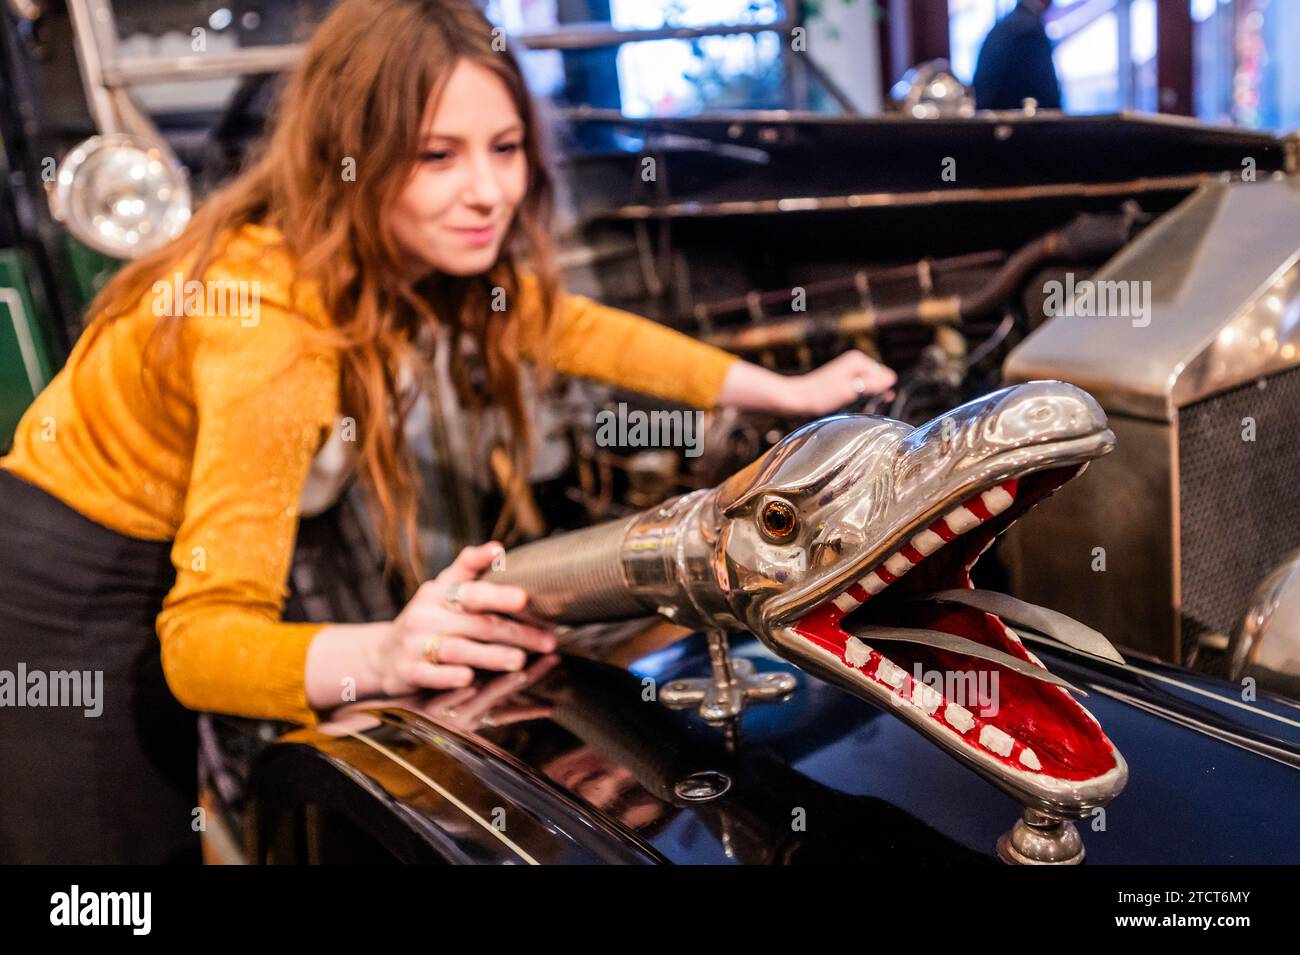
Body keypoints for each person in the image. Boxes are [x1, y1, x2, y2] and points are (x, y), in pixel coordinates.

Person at [0, 0, 895, 863]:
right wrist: (390, 650)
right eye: (435, 155)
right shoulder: (268, 330)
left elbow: (573, 328)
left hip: (155, 550)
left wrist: (785, 389)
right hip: (59, 592)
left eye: (505, 148)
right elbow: (200, 645)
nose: (488, 193)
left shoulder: (372, 239)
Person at [972, 0, 1062, 111]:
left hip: (994, 117)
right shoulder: (1029, 28)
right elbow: (1045, 88)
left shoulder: (1007, 23)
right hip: (1018, 120)